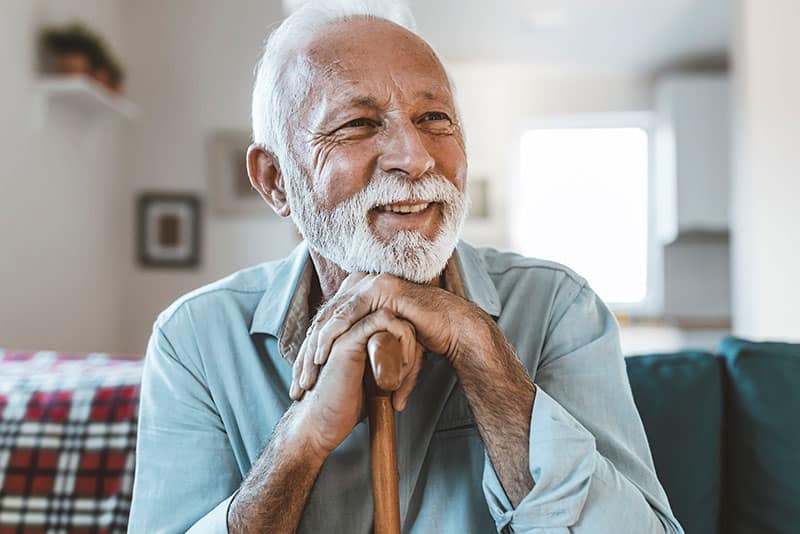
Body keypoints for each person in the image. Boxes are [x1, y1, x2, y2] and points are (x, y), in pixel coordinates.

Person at [128, 2, 683, 533]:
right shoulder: (195, 338)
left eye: (434, 117)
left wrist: (483, 352)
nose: (415, 157)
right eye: (358, 124)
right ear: (276, 180)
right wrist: (303, 441)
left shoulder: (560, 307)